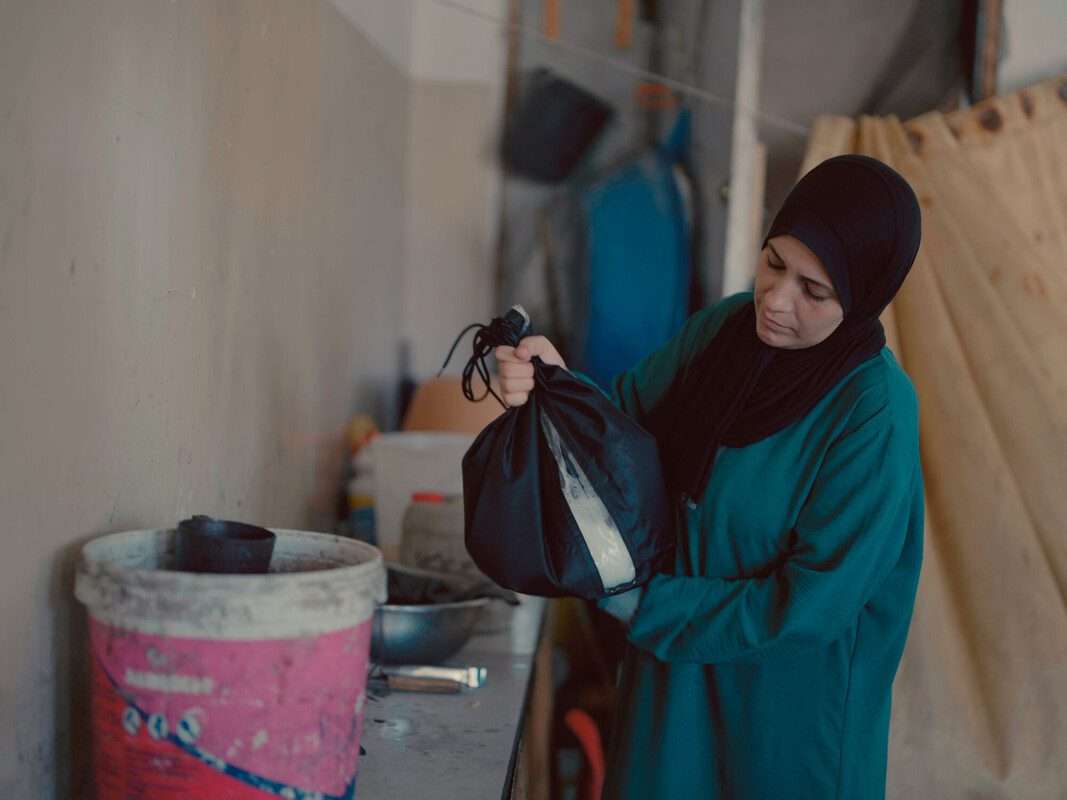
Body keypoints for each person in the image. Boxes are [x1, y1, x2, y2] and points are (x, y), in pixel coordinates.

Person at [494, 155, 924, 799]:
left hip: (782, 721)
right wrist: (551, 386)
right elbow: (620, 428)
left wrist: (647, 604)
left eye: (814, 291)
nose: (776, 302)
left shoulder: (873, 415)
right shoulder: (725, 331)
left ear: (863, 297)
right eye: (774, 262)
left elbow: (811, 606)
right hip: (671, 688)